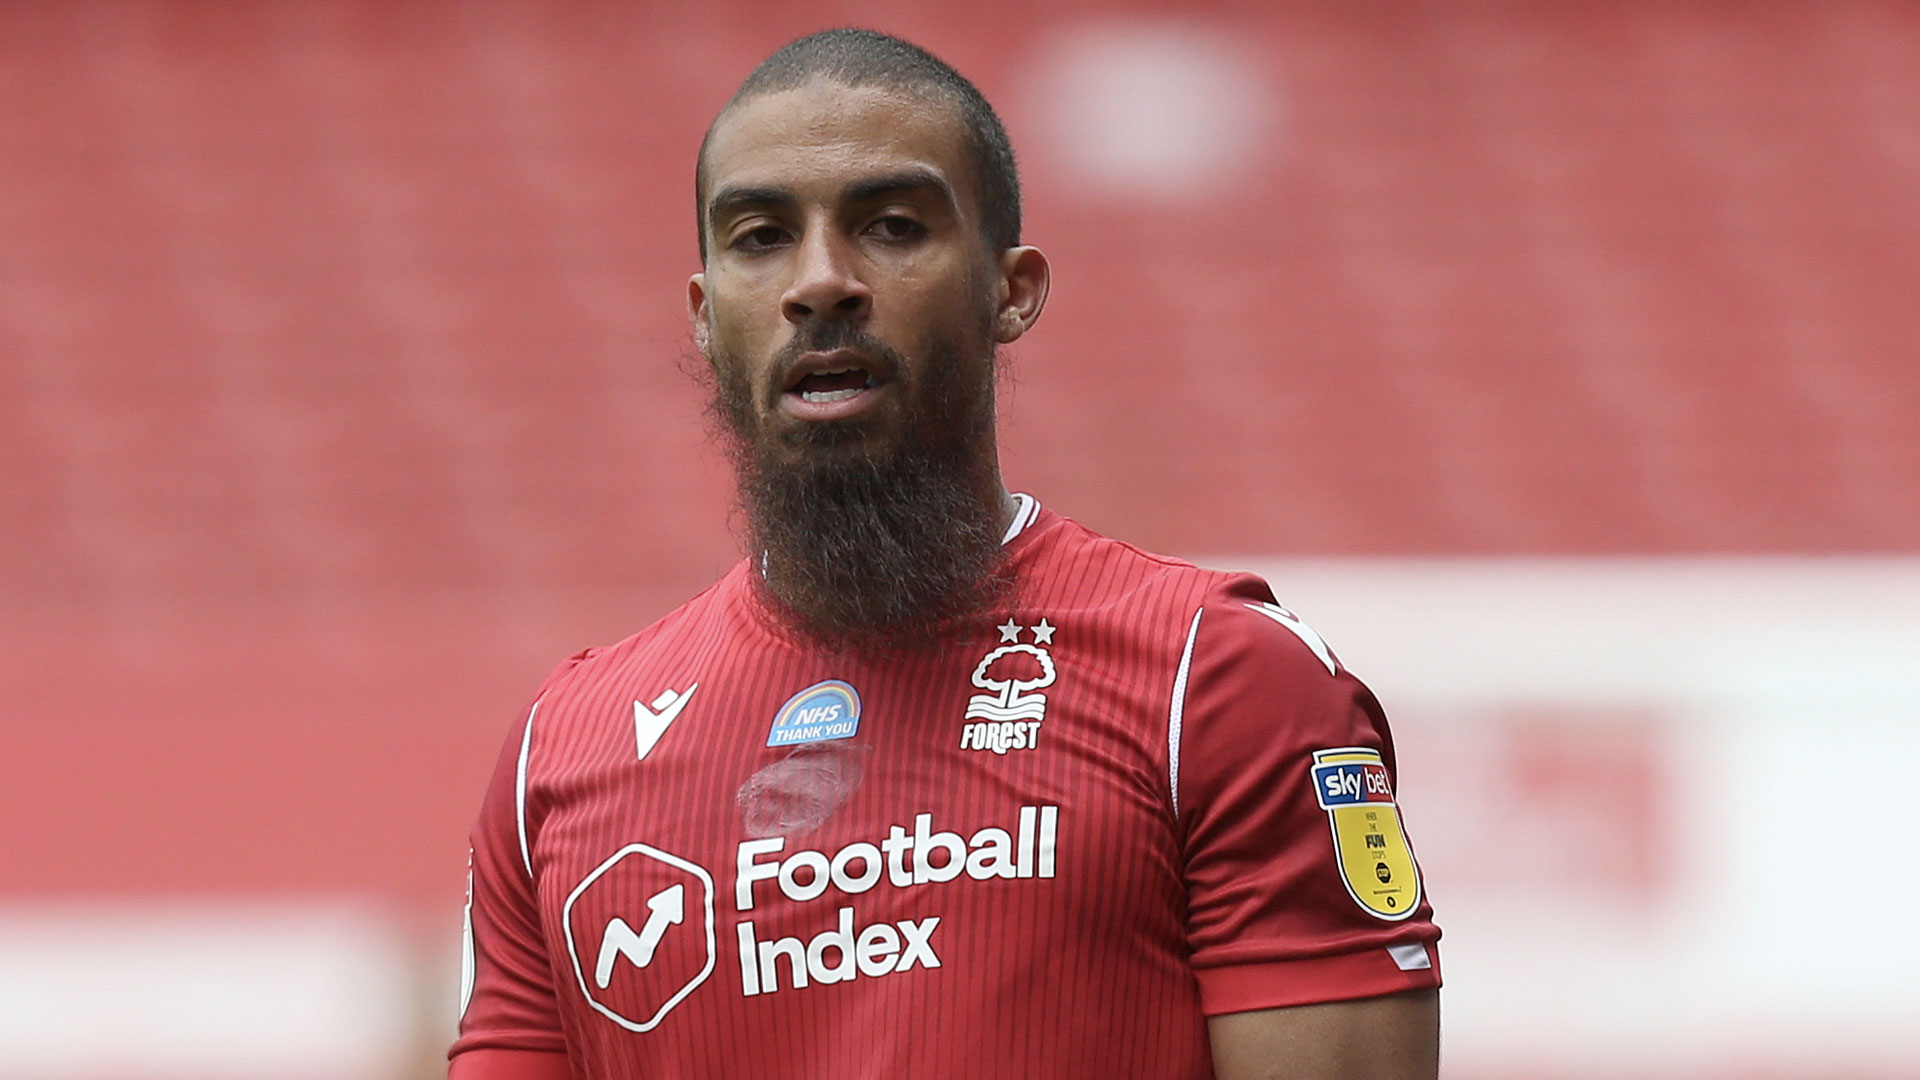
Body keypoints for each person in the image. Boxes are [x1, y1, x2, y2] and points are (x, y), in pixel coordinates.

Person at [450, 28, 1440, 1080]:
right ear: (705, 316)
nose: (821, 282)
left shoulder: (1220, 683)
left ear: (1010, 289)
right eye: (759, 236)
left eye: (890, 225)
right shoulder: (556, 761)